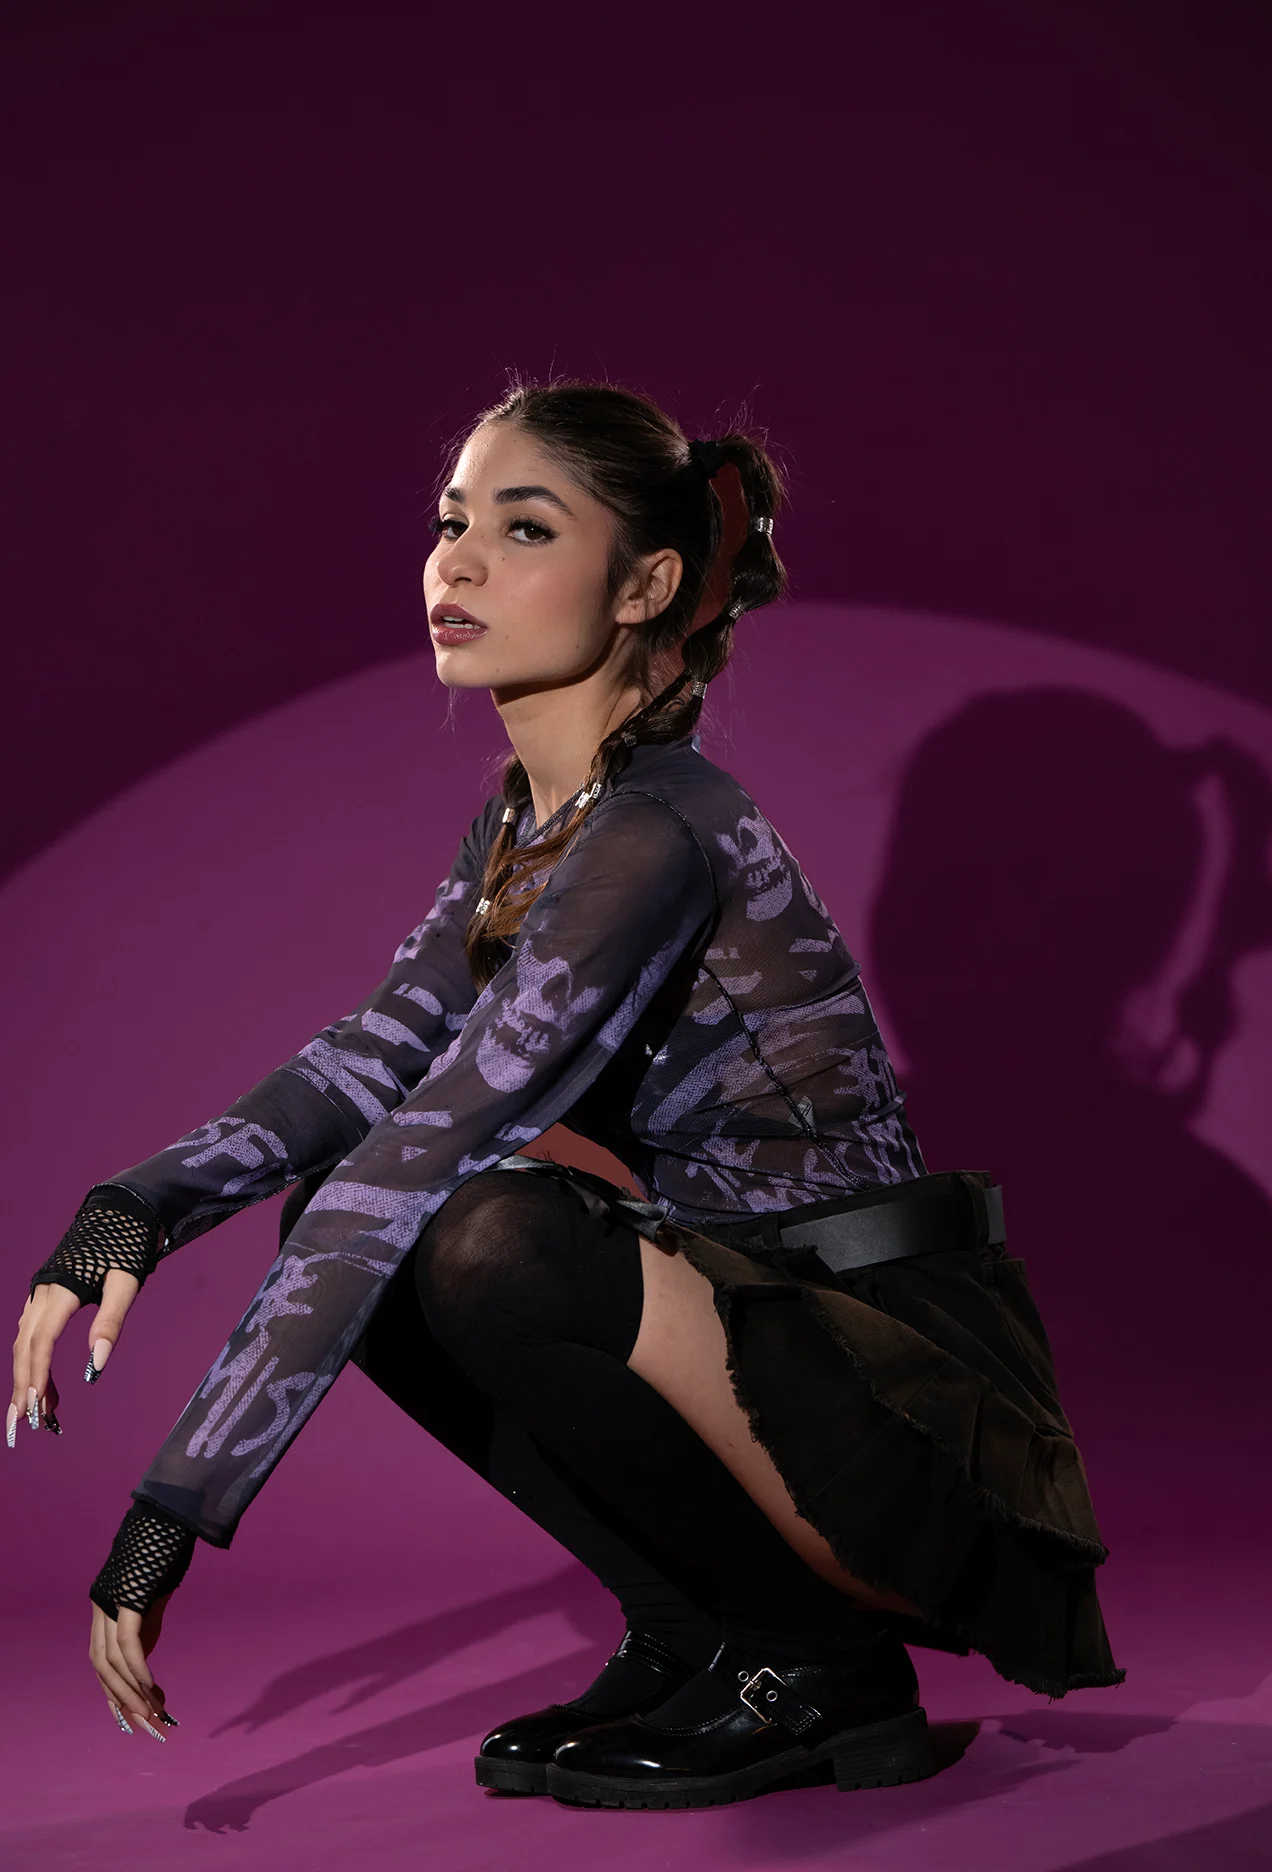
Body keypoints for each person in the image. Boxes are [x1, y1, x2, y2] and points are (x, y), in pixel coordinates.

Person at [11, 381, 1122, 1811]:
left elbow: (422, 1145)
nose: (459, 563)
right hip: (754, 1343)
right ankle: (691, 1634)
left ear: (645, 585)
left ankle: (814, 1664)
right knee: (359, 1222)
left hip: (894, 1410)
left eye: (525, 528)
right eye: (450, 521)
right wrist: (127, 1216)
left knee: (484, 1233)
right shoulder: (533, 823)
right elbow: (374, 1055)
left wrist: (173, 1513)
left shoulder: (656, 831)